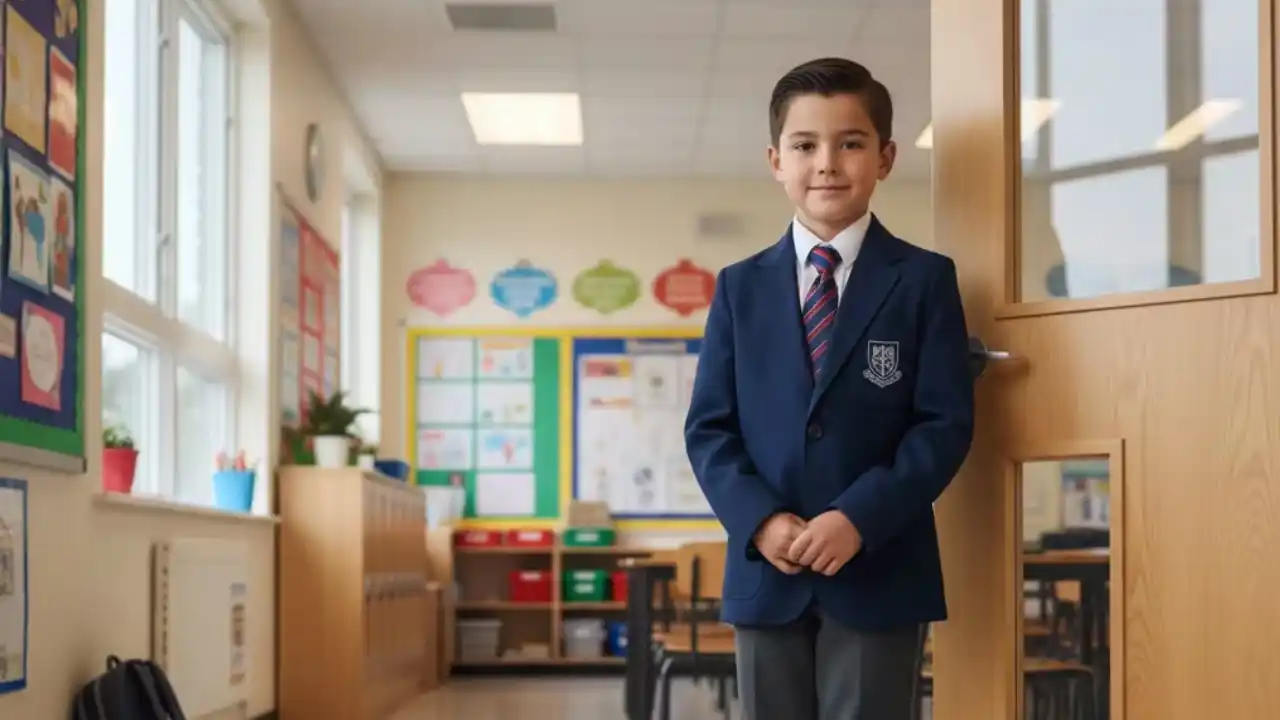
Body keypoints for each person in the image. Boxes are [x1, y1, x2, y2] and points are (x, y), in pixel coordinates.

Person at [683, 57, 975, 720]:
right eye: (804, 145)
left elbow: (943, 425)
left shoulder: (925, 280)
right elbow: (709, 429)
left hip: (879, 566)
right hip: (768, 567)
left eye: (851, 143)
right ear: (775, 160)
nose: (827, 164)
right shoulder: (739, 287)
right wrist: (758, 521)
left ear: (886, 157)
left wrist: (858, 519)